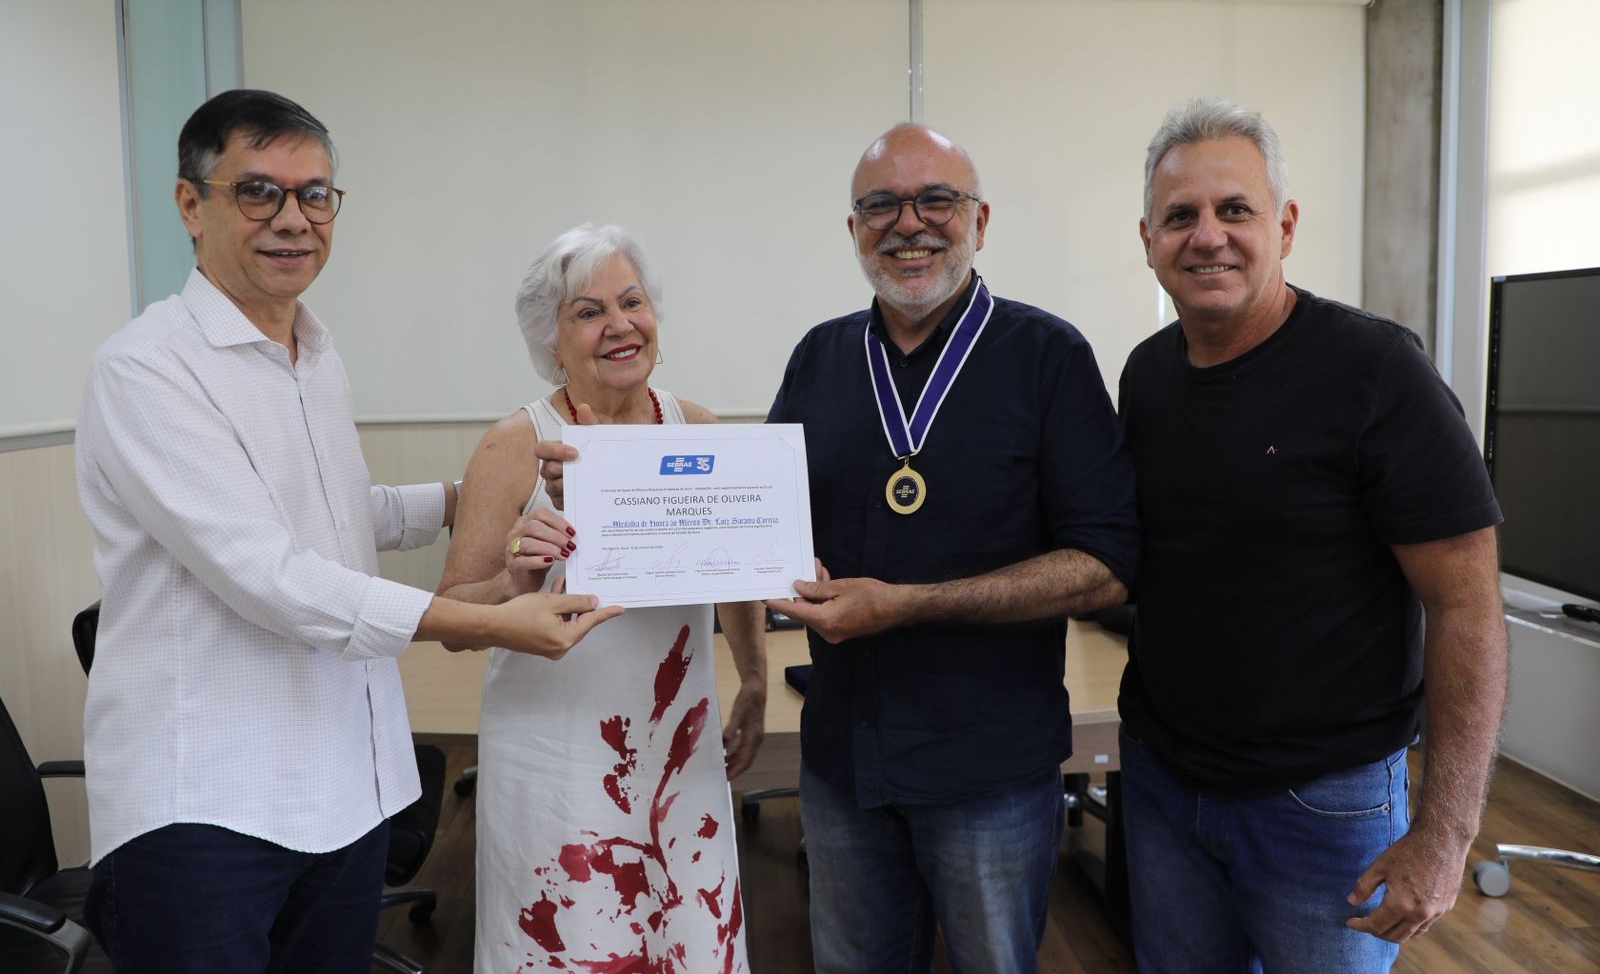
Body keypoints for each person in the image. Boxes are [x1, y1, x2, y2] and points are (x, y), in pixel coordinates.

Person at [74, 89, 620, 974]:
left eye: (316, 195)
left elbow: (337, 516)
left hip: (345, 790)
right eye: (260, 192)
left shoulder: (315, 356)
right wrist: (482, 622)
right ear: (190, 204)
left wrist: (471, 491)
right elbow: (270, 574)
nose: (294, 220)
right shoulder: (147, 371)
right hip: (208, 809)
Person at [1116, 96, 1508, 973]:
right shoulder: (1145, 376)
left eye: (1235, 210)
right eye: (1180, 217)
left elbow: (1466, 603)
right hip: (1163, 784)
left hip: (1322, 805)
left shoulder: (1376, 372)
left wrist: (1446, 835)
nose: (1207, 236)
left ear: (1284, 226)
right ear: (1147, 239)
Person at [764, 123, 1139, 972]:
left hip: (989, 768)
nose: (910, 223)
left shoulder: (1047, 356)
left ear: (981, 218)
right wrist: (612, 493)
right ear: (853, 227)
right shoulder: (819, 357)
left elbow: (1106, 561)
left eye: (937, 199)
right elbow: (757, 518)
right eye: (881, 205)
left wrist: (909, 605)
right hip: (842, 762)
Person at [436, 223, 766, 974]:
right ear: (551, 340)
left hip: (679, 749)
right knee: (577, 946)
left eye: (633, 302)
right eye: (588, 312)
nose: (619, 325)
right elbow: (457, 615)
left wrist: (754, 680)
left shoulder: (700, 429)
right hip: (557, 761)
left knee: (689, 943)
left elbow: (737, 572)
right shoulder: (515, 443)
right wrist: (519, 572)